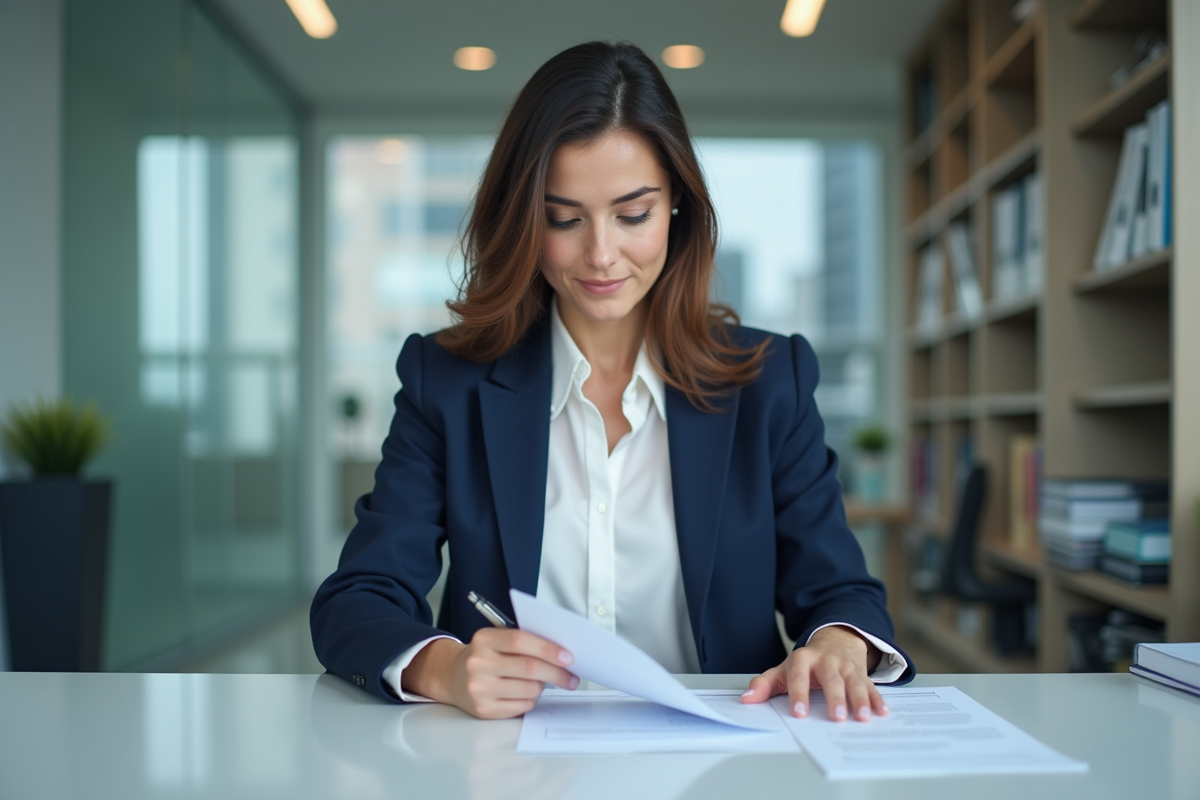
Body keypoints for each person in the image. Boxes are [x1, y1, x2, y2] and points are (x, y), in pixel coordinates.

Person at [311, 41, 914, 724]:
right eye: (563, 218)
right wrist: (443, 667)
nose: (601, 254)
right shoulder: (447, 382)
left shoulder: (770, 382)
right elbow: (356, 599)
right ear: (523, 217)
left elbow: (842, 593)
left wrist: (836, 643)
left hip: (723, 761)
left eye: (633, 214)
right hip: (509, 763)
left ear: (678, 207)